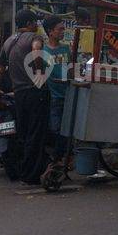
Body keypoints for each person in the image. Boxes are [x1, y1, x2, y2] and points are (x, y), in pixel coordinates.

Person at [0, 9, 49, 185]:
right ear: (29, 24)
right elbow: (36, 50)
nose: (37, 25)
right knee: (36, 133)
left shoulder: (8, 42)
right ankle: (31, 175)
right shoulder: (34, 37)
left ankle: (22, 170)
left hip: (18, 94)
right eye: (35, 22)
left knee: (24, 133)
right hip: (35, 92)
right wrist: (39, 73)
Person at [42, 16, 71, 162]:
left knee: (67, 129)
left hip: (68, 95)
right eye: (60, 29)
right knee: (55, 129)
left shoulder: (66, 48)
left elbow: (71, 69)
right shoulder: (43, 51)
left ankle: (62, 159)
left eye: (63, 29)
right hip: (53, 96)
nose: (62, 32)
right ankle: (58, 159)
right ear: (50, 32)